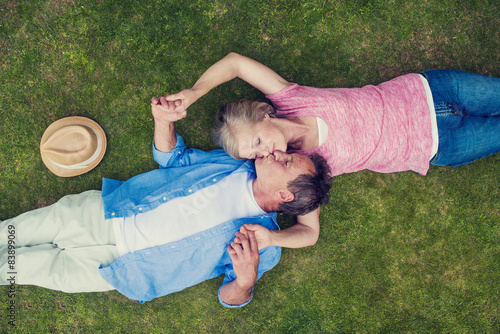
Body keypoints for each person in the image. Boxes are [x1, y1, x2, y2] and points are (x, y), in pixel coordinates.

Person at [0, 96, 332, 308]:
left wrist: (245, 280)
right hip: (106, 213)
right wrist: (163, 122)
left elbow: (229, 299)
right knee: (12, 233)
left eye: (286, 164)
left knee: (16, 268)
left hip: (120, 270)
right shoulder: (233, 163)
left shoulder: (265, 247)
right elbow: (173, 158)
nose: (278, 153)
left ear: (284, 196)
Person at [162, 52, 500, 177]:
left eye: (258, 141)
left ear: (263, 116)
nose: (264, 153)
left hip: (432, 91)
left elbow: (235, 63)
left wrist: (194, 92)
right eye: (256, 154)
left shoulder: (291, 98)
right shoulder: (302, 168)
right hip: (442, 146)